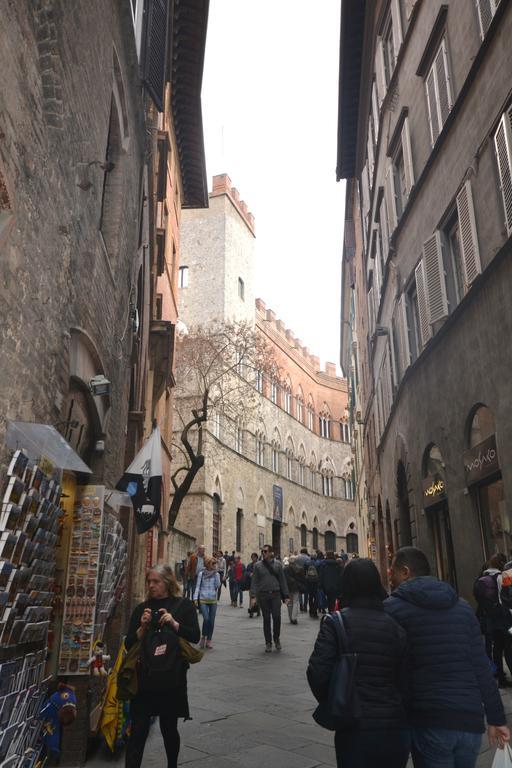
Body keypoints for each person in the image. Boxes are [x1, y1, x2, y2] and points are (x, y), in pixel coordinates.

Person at [386, 546, 510, 767]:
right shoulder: (462, 608)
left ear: (405, 572)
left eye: (392, 570)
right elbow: (481, 666)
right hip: (469, 723)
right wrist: (496, 718)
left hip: (430, 720)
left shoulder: (392, 609)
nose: (389, 575)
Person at [307, 558, 410, 767]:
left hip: (353, 726)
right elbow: (407, 676)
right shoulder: (395, 625)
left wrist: (336, 700)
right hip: (394, 726)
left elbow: (317, 673)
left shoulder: (335, 623)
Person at [124, 564, 200, 768]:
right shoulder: (142, 609)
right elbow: (128, 644)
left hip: (171, 678)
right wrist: (142, 627)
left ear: (167, 582)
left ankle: (172, 765)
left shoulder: (184, 606)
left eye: (156, 581)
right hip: (144, 679)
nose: (151, 585)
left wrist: (175, 624)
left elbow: (195, 635)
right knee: (138, 729)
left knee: (169, 728)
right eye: (149, 582)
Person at [474, 552, 512, 686]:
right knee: (508, 648)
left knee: (496, 648)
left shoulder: (481, 578)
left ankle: (500, 677)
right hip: (504, 618)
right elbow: (506, 598)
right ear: (501, 563)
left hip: (490, 619)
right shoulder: (501, 576)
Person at [250, 545, 289, 652]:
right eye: (263, 551)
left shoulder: (278, 565)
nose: (264, 553)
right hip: (263, 595)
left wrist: (286, 595)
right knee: (266, 619)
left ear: (271, 552)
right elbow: (254, 582)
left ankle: (276, 638)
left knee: (277, 617)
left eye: (266, 551)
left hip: (276, 595)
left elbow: (282, 581)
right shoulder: (257, 566)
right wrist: (253, 596)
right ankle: (268, 642)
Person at [194, 556, 221, 649]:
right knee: (206, 619)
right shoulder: (201, 574)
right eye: (212, 563)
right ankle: (203, 637)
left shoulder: (216, 574)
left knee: (212, 621)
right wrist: (195, 598)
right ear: (207, 564)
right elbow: (197, 586)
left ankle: (209, 640)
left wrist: (216, 574)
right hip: (203, 599)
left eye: (215, 563)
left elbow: (218, 585)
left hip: (213, 600)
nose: (214, 565)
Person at [284, 555, 305, 624]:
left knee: (290, 603)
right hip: (296, 587)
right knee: (296, 602)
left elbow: (284, 579)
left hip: (289, 587)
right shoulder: (300, 568)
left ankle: (291, 617)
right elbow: (302, 579)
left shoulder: (285, 569)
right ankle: (294, 617)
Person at [245, 553, 261, 617]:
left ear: (257, 558)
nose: (253, 558)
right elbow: (246, 572)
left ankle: (258, 610)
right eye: (252, 557)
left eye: (254, 557)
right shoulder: (249, 565)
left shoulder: (260, 565)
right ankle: (251, 611)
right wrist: (249, 574)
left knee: (258, 598)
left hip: (258, 584)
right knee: (251, 597)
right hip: (251, 583)